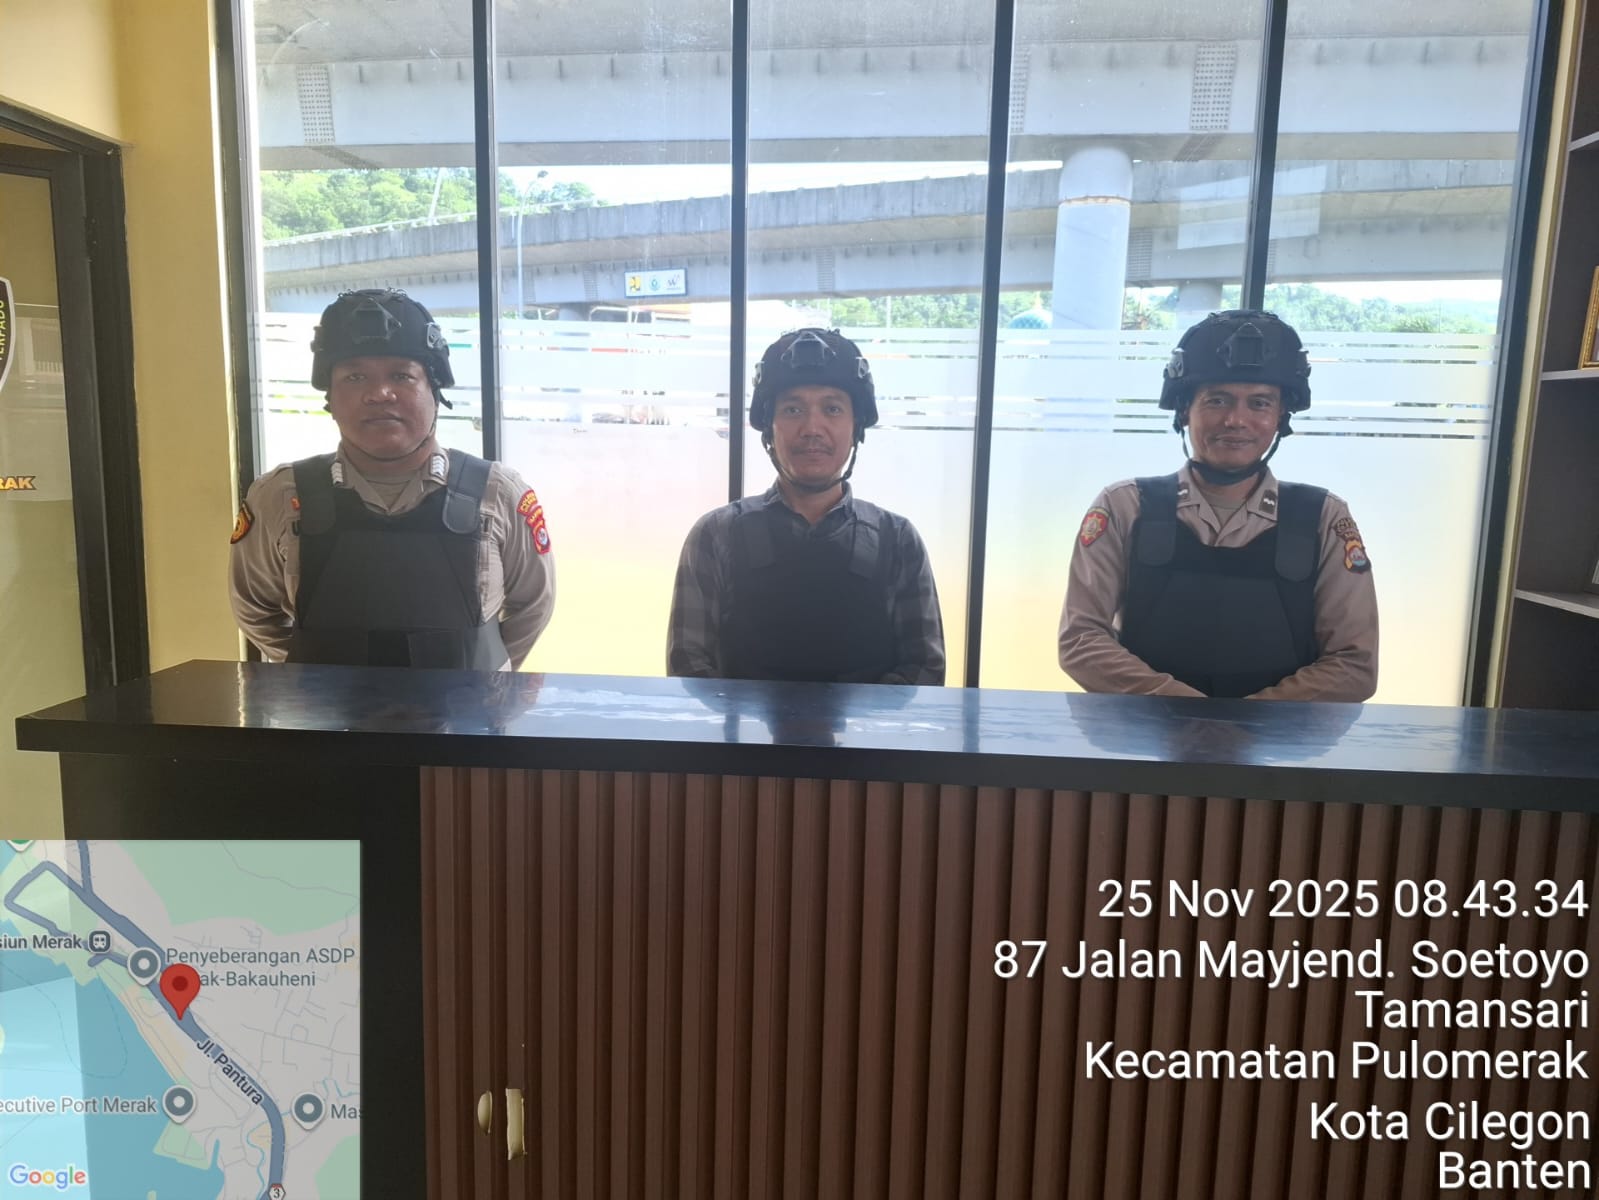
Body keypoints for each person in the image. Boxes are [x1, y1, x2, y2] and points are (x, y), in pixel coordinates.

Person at [1058, 309, 1376, 701]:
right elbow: (1081, 640)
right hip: (1145, 734)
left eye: (1259, 403)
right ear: (1184, 410)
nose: (1235, 420)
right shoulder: (1126, 507)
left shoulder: (1322, 517)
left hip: (1278, 738)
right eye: (1217, 400)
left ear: (1281, 417)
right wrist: (1186, 712)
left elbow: (1354, 665)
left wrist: (1246, 723)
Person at [230, 288, 555, 669]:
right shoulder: (280, 496)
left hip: (469, 709)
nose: (379, 393)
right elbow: (253, 607)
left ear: (435, 390)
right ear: (330, 398)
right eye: (354, 377)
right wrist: (310, 670)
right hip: (324, 710)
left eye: (402, 375)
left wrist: (484, 676)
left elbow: (534, 605)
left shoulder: (498, 493)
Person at [667, 327, 945, 684]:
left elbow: (924, 670)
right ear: (769, 428)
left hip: (868, 726)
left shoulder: (898, 540)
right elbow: (688, 667)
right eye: (793, 409)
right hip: (740, 725)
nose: (812, 427)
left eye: (832, 409)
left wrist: (859, 719)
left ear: (856, 427)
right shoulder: (716, 535)